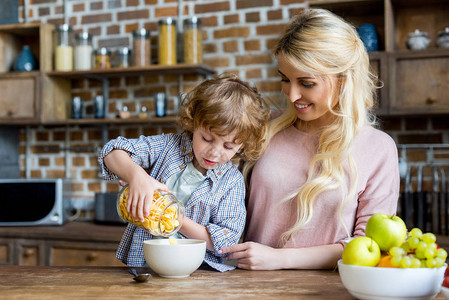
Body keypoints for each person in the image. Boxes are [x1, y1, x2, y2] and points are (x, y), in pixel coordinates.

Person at [219, 8, 400, 270]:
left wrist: (280, 259)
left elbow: (370, 247)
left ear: (343, 79)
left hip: (328, 291)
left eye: (306, 83)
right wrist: (136, 172)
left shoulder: (378, 148)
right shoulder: (265, 126)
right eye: (285, 79)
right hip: (249, 284)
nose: (291, 96)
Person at [98, 73, 269, 272]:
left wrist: (175, 219)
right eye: (206, 138)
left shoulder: (232, 182)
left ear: (241, 145)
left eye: (229, 146)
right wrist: (137, 176)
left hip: (196, 272)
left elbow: (225, 241)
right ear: (194, 123)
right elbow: (112, 151)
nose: (215, 152)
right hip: (144, 264)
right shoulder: (168, 147)